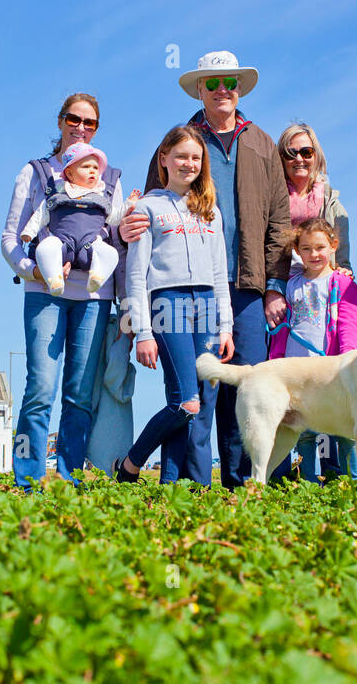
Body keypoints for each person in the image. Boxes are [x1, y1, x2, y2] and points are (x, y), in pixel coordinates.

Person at [120, 51, 290, 488]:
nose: (222, 90)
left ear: (240, 88)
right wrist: (127, 220)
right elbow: (149, 212)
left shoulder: (262, 143)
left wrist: (273, 286)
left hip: (245, 284)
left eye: (229, 82)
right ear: (200, 88)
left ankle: (241, 481)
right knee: (195, 393)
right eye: (212, 83)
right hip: (177, 289)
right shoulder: (182, 139)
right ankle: (187, 484)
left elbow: (280, 220)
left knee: (245, 385)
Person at [2, 93, 125, 490]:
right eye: (74, 119)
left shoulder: (109, 176)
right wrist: (31, 269)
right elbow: (10, 237)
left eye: (90, 123)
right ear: (60, 121)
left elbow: (118, 239)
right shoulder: (35, 172)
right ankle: (27, 480)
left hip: (94, 297)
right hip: (44, 293)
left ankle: (70, 478)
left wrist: (125, 302)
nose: (81, 128)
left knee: (79, 395)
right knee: (40, 388)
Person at [114, 126, 233, 484]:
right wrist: (144, 332)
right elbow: (136, 276)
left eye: (196, 158)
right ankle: (133, 463)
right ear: (164, 159)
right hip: (169, 302)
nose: (189, 164)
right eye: (181, 156)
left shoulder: (210, 211)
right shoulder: (147, 207)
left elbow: (218, 272)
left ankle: (177, 488)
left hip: (207, 305)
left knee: (197, 407)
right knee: (185, 402)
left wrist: (225, 326)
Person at [266, 217, 357, 482]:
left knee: (340, 427)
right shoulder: (291, 284)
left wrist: (347, 363)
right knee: (304, 429)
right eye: (306, 248)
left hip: (330, 369)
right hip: (297, 370)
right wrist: (276, 362)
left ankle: (349, 481)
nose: (314, 254)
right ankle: (308, 483)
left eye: (320, 247)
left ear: (333, 246)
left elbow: (347, 328)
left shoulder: (345, 285)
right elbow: (282, 329)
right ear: (297, 251)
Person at [19, 142, 123, 295]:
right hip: (62, 244)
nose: (92, 171)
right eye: (86, 167)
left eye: (95, 168)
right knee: (46, 247)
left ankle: (97, 276)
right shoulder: (59, 194)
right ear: (69, 173)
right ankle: (54, 278)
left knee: (110, 253)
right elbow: (42, 213)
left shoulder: (100, 198)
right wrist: (29, 231)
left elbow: (115, 218)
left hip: (90, 246)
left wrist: (130, 205)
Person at [277, 124, 352, 274]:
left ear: (316, 156)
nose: (299, 159)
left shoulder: (331, 203)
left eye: (306, 152)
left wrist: (344, 272)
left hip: (320, 285)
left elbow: (342, 260)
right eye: (291, 153)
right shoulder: (271, 199)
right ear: (281, 158)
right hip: (281, 284)